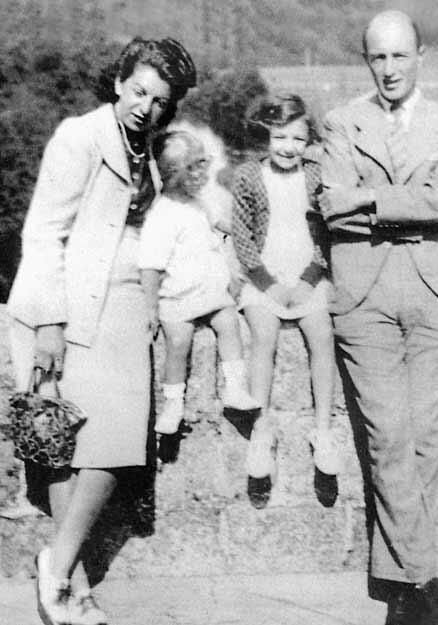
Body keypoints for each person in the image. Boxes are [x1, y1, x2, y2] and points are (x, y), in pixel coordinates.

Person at [7, 37, 196, 625]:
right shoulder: (79, 136)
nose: (146, 106)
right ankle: (71, 583)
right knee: (69, 447)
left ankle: (58, 571)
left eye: (161, 100)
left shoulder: (148, 148)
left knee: (112, 447)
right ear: (118, 83)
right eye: (138, 91)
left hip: (120, 307)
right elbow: (42, 233)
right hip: (68, 308)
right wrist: (49, 323)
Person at [319, 10, 438, 625]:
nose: (388, 70)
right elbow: (332, 209)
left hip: (435, 295)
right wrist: (398, 207)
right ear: (366, 61)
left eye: (399, 57)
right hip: (364, 297)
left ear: (420, 55)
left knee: (427, 442)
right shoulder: (340, 121)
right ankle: (425, 585)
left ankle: (402, 595)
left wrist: (369, 199)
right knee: (386, 440)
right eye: (377, 58)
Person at [232, 93, 339, 506]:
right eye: (280, 137)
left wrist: (311, 277)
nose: (288, 147)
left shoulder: (315, 175)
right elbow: (242, 236)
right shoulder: (248, 176)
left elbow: (328, 230)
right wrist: (268, 283)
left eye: (297, 138)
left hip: (308, 277)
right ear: (266, 136)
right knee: (263, 338)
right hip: (264, 279)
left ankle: (324, 432)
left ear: (308, 139)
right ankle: (262, 433)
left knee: (322, 338)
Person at [139, 130, 258, 435]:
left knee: (229, 324)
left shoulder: (199, 202)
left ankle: (235, 388)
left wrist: (245, 233)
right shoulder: (162, 215)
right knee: (177, 344)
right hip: (178, 299)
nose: (202, 173)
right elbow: (151, 265)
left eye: (202, 164)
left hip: (211, 294)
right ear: (172, 174)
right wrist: (150, 308)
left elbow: (221, 222)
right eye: (193, 167)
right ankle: (173, 403)